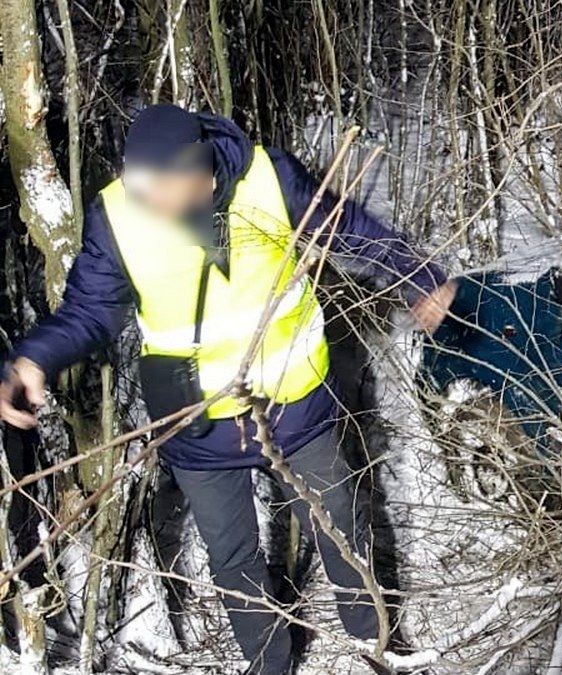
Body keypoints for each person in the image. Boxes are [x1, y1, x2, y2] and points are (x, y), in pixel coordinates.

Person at [0, 104, 456, 674]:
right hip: (196, 420)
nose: (143, 198)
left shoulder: (269, 178)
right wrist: (33, 358)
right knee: (232, 556)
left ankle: (376, 642)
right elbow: (90, 311)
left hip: (293, 404)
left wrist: (418, 277)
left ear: (199, 169)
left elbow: (349, 229)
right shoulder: (116, 215)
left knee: (341, 519)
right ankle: (269, 665)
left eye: (156, 184)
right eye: (134, 181)